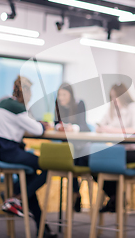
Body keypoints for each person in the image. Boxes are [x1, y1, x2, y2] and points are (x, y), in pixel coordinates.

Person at [0, 75, 57, 238]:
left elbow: (17, 125)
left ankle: (42, 228)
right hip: (8, 152)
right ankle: (16, 197)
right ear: (26, 92)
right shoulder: (18, 107)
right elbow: (38, 131)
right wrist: (42, 124)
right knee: (49, 166)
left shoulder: (2, 103)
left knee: (30, 176)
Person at [95, 83, 135, 213]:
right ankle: (116, 197)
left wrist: (109, 129)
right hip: (118, 150)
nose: (114, 100)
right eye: (112, 97)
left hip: (133, 151)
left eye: (116, 97)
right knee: (94, 162)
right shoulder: (112, 110)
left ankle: (115, 199)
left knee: (102, 161)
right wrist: (102, 128)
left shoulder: (133, 107)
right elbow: (100, 125)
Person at [54, 82, 90, 212]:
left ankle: (75, 193)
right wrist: (59, 127)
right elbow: (55, 122)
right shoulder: (58, 105)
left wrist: (73, 128)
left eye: (64, 94)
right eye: (59, 95)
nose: (61, 97)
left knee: (75, 159)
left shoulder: (79, 104)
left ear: (70, 94)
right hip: (67, 147)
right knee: (70, 159)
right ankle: (75, 194)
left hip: (80, 146)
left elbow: (83, 125)